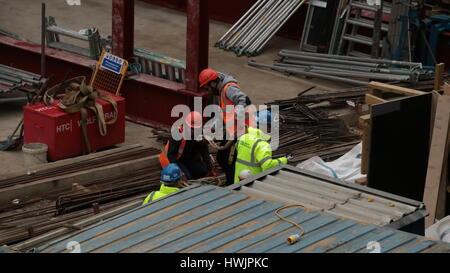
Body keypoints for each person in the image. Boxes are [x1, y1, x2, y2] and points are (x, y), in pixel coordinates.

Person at [198, 68, 254, 185]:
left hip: (240, 131)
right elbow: (223, 114)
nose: (208, 91)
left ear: (213, 83)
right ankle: (232, 181)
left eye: (208, 88)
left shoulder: (228, 88)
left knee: (227, 160)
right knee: (225, 159)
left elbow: (244, 99)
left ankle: (232, 184)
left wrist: (239, 112)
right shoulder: (222, 91)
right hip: (232, 130)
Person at [234, 110, 290, 183]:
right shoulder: (262, 145)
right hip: (253, 183)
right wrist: (284, 160)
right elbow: (267, 165)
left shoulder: (243, 137)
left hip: (238, 180)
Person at [159, 111, 217, 180]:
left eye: (195, 129)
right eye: (191, 128)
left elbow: (205, 153)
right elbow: (171, 156)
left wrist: (210, 169)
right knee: (187, 177)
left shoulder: (200, 135)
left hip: (189, 159)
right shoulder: (178, 134)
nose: (193, 131)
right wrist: (179, 171)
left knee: (203, 171)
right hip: (176, 160)